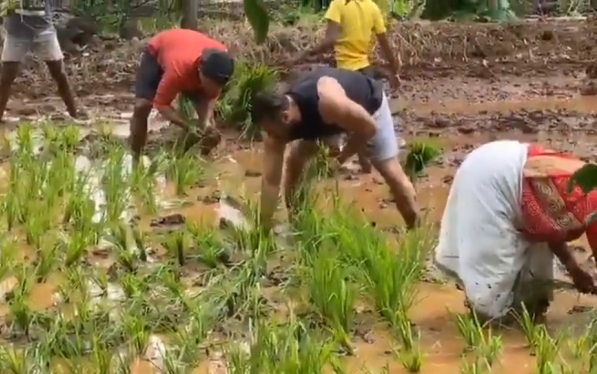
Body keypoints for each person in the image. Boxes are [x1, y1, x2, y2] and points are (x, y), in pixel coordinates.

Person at [434, 140, 597, 323]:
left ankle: (526, 314)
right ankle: (488, 321)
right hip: (494, 181)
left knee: (537, 264)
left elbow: (552, 227)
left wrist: (574, 270)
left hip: (503, 163)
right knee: (493, 273)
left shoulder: (590, 178)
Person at [251, 67, 419, 231]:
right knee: (295, 164)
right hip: (325, 124)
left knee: (391, 173)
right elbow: (271, 182)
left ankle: (415, 229)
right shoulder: (277, 126)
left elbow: (368, 129)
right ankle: (298, 226)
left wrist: (341, 158)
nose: (270, 138)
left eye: (272, 132)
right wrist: (263, 230)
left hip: (367, 110)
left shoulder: (328, 102)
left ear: (285, 117)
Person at [288, 0, 400, 173]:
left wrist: (304, 54)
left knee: (344, 122)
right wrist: (394, 70)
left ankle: (335, 161)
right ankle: (365, 167)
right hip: (365, 74)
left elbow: (331, 39)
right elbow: (385, 43)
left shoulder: (339, 4)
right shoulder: (371, 7)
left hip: (345, 76)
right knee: (361, 120)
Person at [130, 28, 235, 164]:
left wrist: (206, 122)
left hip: (188, 49)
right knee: (142, 106)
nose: (213, 89)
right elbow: (161, 105)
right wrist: (187, 125)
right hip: (160, 49)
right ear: (200, 71)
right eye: (210, 84)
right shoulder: (178, 71)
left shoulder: (221, 63)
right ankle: (135, 160)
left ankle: (201, 161)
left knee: (209, 130)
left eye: (218, 86)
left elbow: (209, 100)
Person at [0, 0, 78, 123]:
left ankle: (73, 114)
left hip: (43, 30)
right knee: (7, 76)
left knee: (59, 73)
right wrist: (4, 7)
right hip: (17, 32)